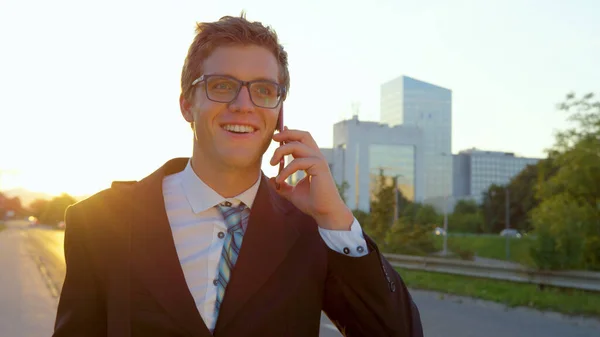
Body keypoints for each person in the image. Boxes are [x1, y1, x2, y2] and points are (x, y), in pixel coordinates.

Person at [52, 13, 423, 337]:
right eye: (222, 85)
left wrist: (335, 217)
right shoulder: (100, 222)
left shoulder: (314, 231)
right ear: (187, 104)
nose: (242, 105)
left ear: (278, 112)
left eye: (263, 90)